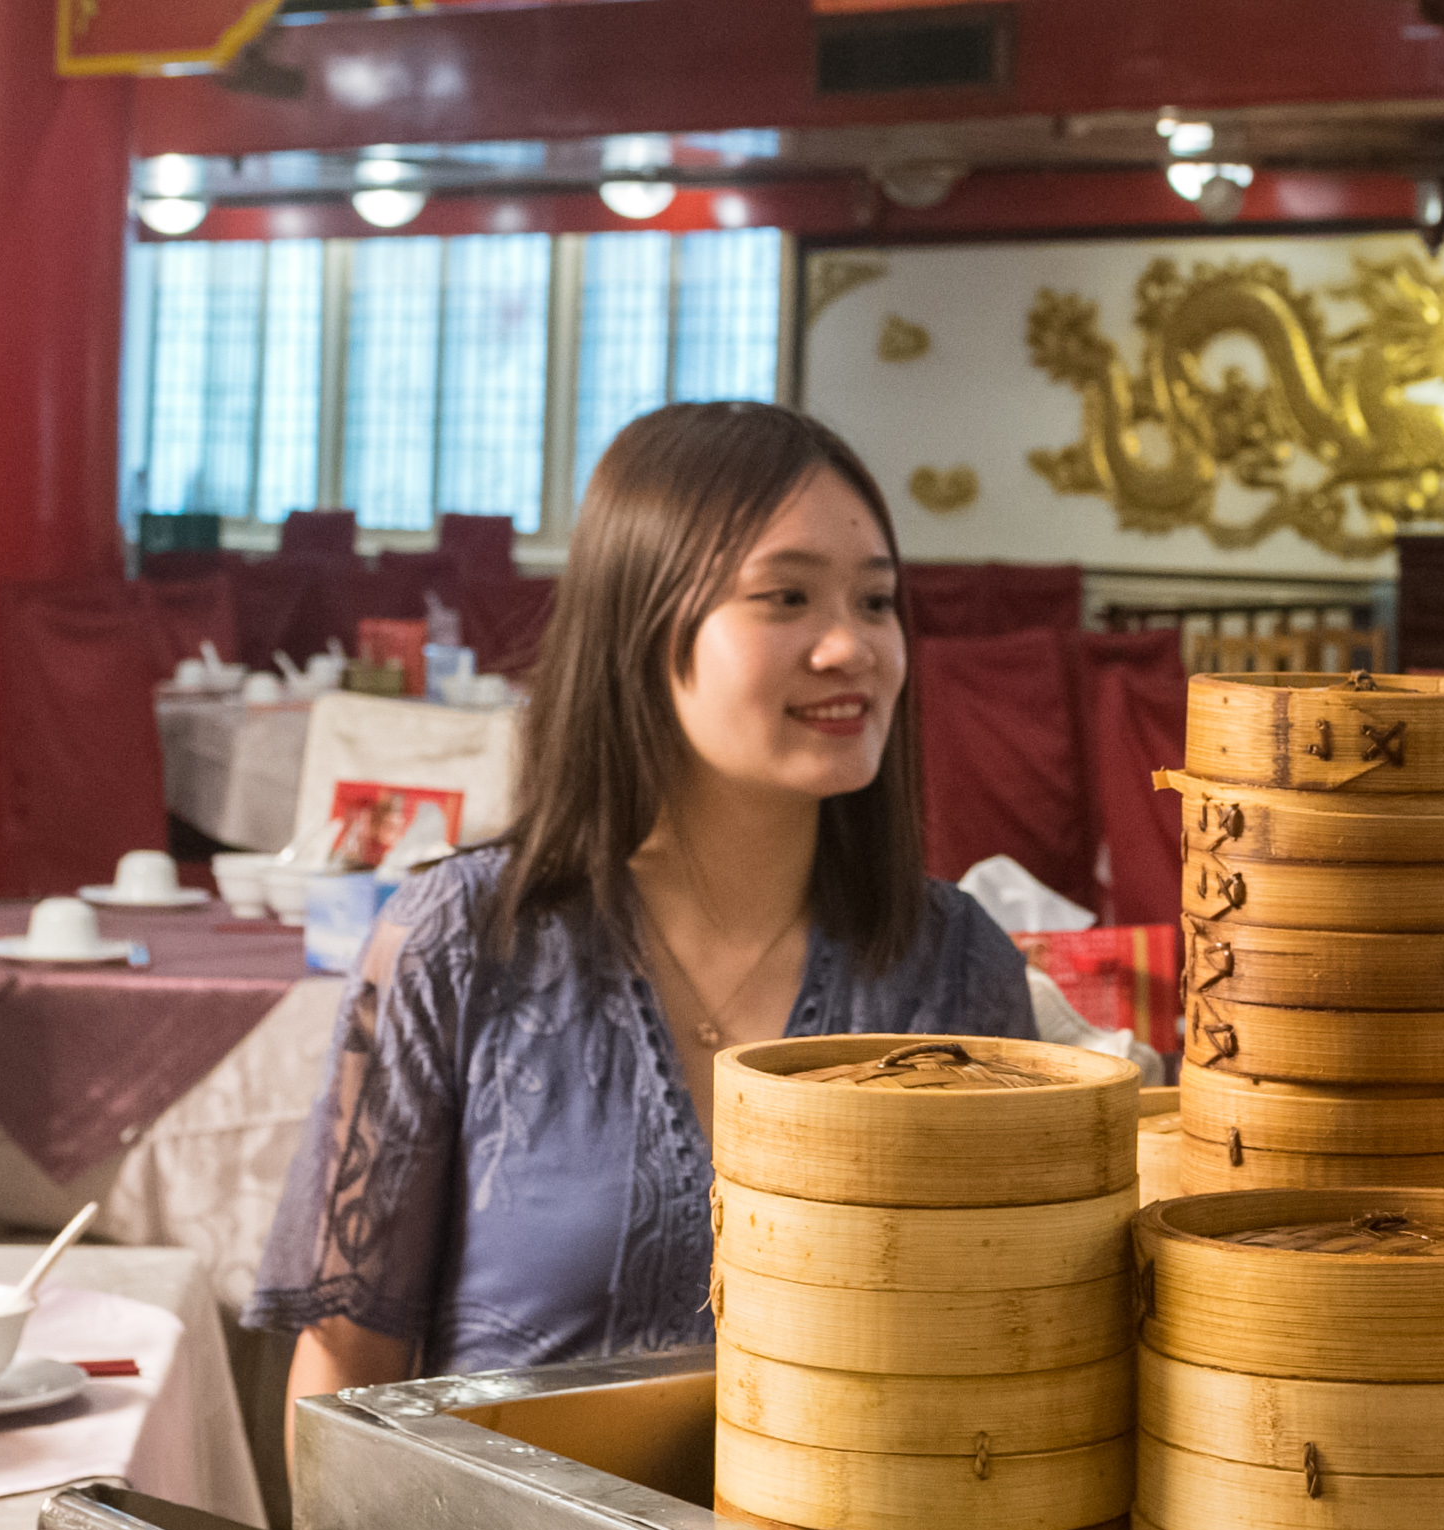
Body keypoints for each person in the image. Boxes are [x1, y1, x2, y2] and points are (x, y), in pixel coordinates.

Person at [257, 401, 1033, 1390]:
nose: (851, 647)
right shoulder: (460, 941)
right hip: (494, 1499)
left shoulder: (954, 968)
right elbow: (344, 1368)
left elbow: (1014, 1349)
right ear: (640, 621)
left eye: (876, 601)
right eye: (787, 598)